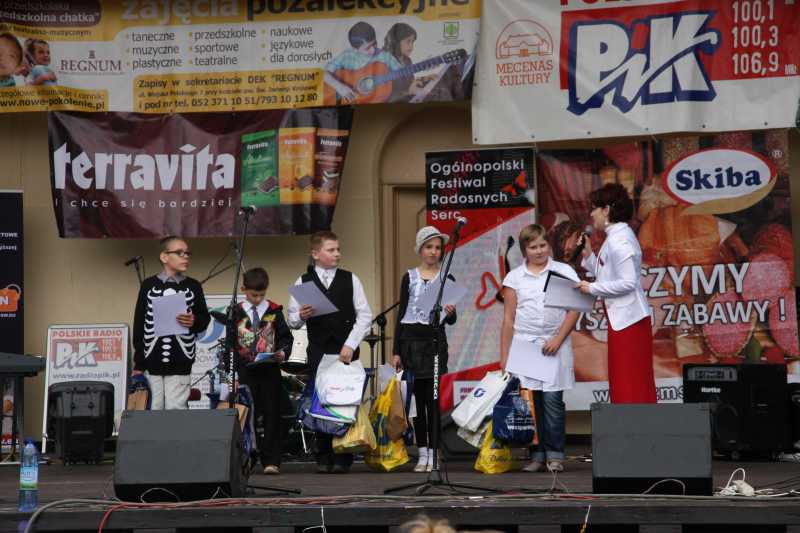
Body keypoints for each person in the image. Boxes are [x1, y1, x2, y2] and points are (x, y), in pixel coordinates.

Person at [287, 230, 372, 473]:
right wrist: (300, 315)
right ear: (315, 254)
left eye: (338, 249)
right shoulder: (303, 281)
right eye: (331, 250)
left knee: (344, 400)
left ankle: (343, 455)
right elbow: (292, 320)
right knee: (321, 401)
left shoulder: (351, 279)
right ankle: (323, 455)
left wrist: (351, 344)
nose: (337, 254)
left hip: (345, 350)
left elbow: (365, 315)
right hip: (319, 350)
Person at [499, 224, 579, 473]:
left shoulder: (563, 271)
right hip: (526, 345)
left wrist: (558, 339)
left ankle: (555, 455)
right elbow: (508, 319)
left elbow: (574, 309)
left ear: (549, 245)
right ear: (524, 250)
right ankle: (537, 455)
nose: (539, 251)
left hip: (554, 344)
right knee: (531, 404)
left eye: (542, 245)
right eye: (533, 247)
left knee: (553, 402)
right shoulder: (514, 278)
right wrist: (505, 357)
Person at [577, 183, 657, 403]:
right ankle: (631, 419)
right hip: (624, 319)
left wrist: (591, 288)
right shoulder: (616, 236)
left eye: (594, 208)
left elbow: (628, 282)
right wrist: (588, 255)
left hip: (630, 321)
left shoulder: (620, 240)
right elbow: (608, 275)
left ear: (607, 210)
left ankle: (633, 420)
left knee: (630, 380)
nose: (591, 214)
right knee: (626, 379)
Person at [392, 226, 457, 473]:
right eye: (429, 247)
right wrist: (396, 350)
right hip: (411, 344)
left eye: (438, 248)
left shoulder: (447, 277)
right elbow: (401, 314)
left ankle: (434, 452)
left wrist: (451, 312)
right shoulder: (409, 277)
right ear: (420, 249)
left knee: (434, 401)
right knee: (418, 403)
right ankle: (422, 452)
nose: (433, 252)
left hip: (434, 345)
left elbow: (451, 320)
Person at [227, 267, 293, 475]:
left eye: (261, 295)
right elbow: (230, 345)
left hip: (269, 370)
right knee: (247, 414)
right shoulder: (235, 312)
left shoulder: (274, 310)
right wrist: (231, 375)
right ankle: (246, 457)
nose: (257, 299)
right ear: (243, 289)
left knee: (272, 413)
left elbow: (285, 338)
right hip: (245, 371)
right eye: (253, 295)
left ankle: (271, 460)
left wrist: (282, 353)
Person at [132, 236, 210, 410]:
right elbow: (139, 324)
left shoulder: (193, 286)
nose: (185, 257)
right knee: (152, 408)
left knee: (176, 408)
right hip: (151, 360)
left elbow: (204, 319)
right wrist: (139, 363)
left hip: (180, 361)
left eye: (187, 253)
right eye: (180, 253)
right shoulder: (148, 285)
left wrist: (194, 320)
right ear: (164, 257)